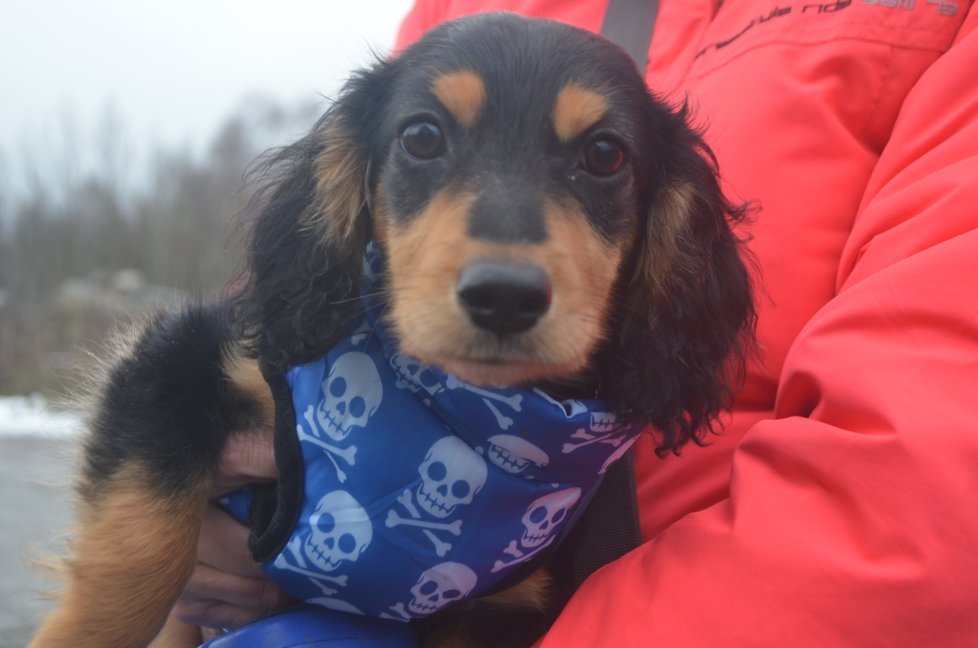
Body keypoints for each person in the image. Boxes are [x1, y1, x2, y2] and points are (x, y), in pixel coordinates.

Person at [175, 0, 978, 644]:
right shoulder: (455, 13)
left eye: (601, 159)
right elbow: (300, 301)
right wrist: (199, 515)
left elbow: (928, 499)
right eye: (427, 138)